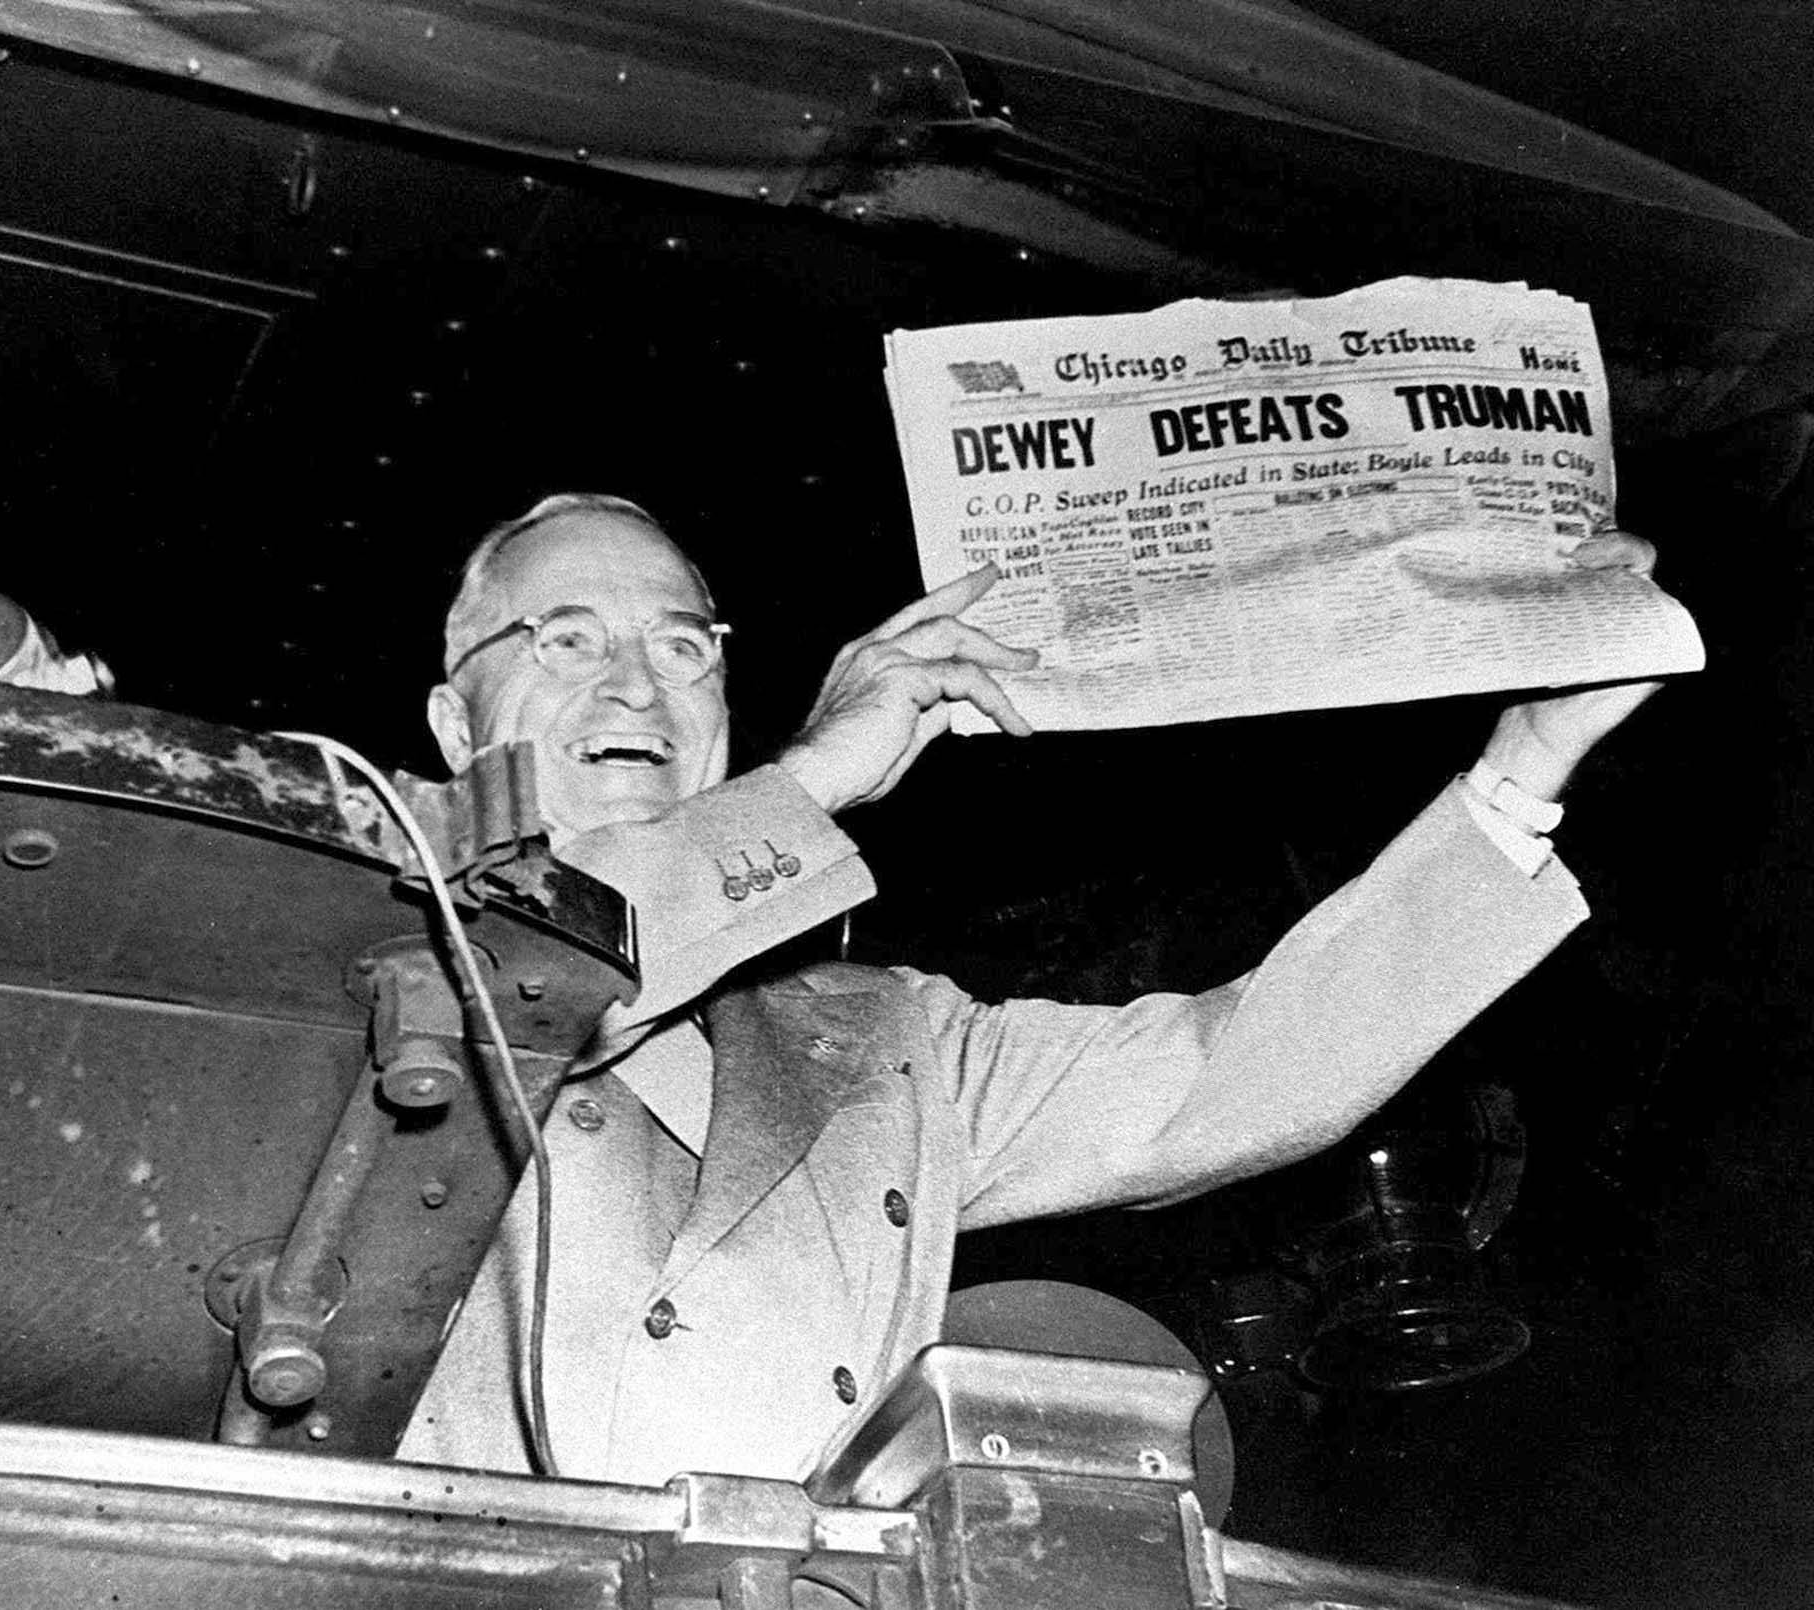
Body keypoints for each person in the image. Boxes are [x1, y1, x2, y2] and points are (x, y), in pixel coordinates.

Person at [397, 491, 1656, 1486]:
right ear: (457, 727)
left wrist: (1522, 763)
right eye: (567, 639)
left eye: (683, 645)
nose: (635, 682)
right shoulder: (344, 927)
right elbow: (534, 986)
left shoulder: (877, 1033)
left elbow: (1225, 1076)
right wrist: (811, 781)